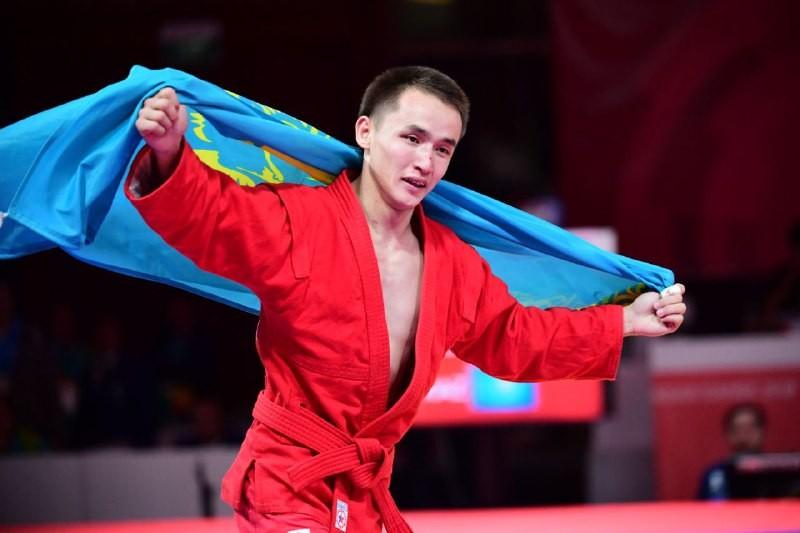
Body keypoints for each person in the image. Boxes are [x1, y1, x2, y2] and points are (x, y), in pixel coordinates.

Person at [126, 66, 687, 533]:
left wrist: (624, 322)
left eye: (443, 149)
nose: (425, 162)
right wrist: (171, 153)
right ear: (365, 132)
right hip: (286, 483)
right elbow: (216, 220)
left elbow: (514, 338)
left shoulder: (451, 261)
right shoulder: (301, 222)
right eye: (411, 139)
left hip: (362, 495)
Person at [697, 403, 767, 500]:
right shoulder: (715, 475)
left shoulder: (777, 474)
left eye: (749, 429)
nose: (743, 437)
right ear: (727, 434)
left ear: (762, 431)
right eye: (737, 430)